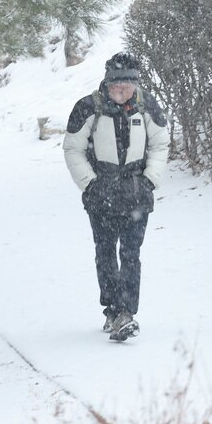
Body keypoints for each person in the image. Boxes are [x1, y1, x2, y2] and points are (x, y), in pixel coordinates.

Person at [63, 52, 170, 342]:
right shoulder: (88, 107)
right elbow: (72, 148)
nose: (121, 91)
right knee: (106, 253)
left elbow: (161, 143)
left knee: (131, 254)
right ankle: (111, 309)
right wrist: (90, 184)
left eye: (127, 86)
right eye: (115, 86)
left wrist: (150, 179)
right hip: (102, 194)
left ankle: (127, 313)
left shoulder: (147, 106)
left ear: (136, 84)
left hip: (137, 192)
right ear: (106, 83)